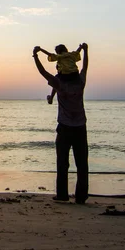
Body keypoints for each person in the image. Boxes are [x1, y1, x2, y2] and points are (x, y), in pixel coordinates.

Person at [33, 43, 89, 204]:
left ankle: (63, 194)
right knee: (82, 163)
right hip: (80, 127)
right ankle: (81, 196)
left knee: (62, 162)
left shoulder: (59, 83)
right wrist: (85, 51)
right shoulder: (80, 82)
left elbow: (43, 72)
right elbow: (85, 66)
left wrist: (35, 56)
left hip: (65, 127)